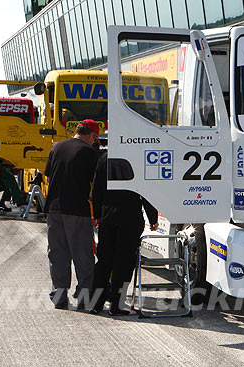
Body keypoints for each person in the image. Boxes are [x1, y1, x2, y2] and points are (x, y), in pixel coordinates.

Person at [90, 151, 159, 316]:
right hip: (130, 216)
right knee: (124, 262)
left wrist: (97, 214)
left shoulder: (104, 158)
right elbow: (145, 189)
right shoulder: (136, 155)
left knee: (104, 261)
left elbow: (97, 187)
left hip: (108, 215)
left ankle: (96, 304)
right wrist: (153, 217)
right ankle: (116, 305)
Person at [44, 119, 99, 309]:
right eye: (95, 138)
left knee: (58, 255)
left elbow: (49, 177)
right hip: (78, 211)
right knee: (83, 255)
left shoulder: (57, 147)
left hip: (54, 210)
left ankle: (59, 298)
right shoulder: (90, 153)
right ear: (91, 135)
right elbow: (95, 185)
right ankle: (84, 300)